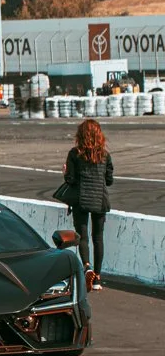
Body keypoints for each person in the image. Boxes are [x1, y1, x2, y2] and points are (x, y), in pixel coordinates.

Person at [63, 119, 114, 289]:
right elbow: (109, 180)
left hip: (81, 200)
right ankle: (98, 278)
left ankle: (86, 266)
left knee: (82, 236)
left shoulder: (74, 153)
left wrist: (65, 172)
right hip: (100, 200)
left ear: (80, 135)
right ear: (99, 135)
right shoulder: (105, 155)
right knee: (98, 238)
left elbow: (70, 180)